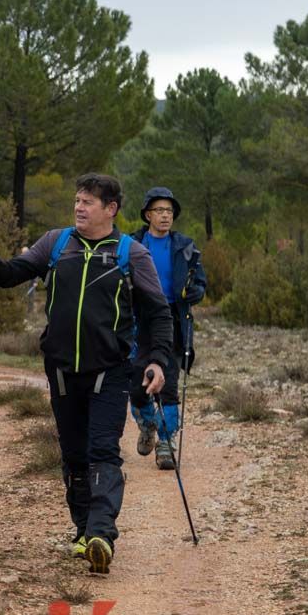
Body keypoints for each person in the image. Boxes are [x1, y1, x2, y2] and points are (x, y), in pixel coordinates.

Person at [0, 174, 172, 575]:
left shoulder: (131, 254)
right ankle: (85, 531)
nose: (79, 208)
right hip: (62, 372)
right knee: (73, 456)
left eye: (88, 202)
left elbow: (158, 314)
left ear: (111, 209)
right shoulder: (56, 243)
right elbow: (9, 273)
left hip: (110, 370)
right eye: (76, 200)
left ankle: (102, 533)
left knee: (102, 450)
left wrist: (157, 360)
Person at [129, 187, 207, 470]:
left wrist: (195, 292)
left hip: (173, 320)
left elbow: (200, 282)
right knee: (135, 384)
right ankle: (147, 423)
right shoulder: (131, 243)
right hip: (138, 320)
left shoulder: (185, 246)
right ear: (148, 214)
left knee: (170, 385)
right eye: (160, 210)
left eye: (169, 211)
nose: (165, 216)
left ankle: (165, 442)